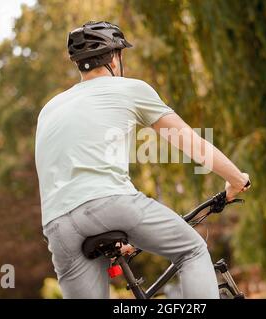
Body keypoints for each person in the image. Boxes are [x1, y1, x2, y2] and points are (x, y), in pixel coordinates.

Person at [35, 21, 251, 299]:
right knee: (192, 250)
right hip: (111, 203)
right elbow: (193, 144)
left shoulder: (49, 109)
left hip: (57, 225)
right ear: (115, 58)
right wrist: (235, 180)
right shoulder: (130, 89)